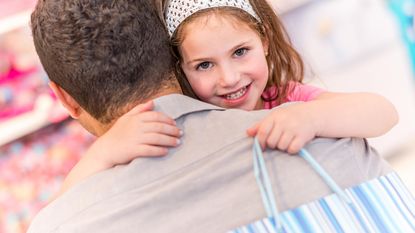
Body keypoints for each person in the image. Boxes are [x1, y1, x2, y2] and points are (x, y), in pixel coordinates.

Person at [28, 0, 394, 232]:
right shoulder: (153, 131)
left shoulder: (285, 97)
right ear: (178, 68)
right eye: (204, 65)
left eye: (240, 52)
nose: (229, 78)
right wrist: (104, 152)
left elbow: (383, 112)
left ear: (264, 41)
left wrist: (311, 118)